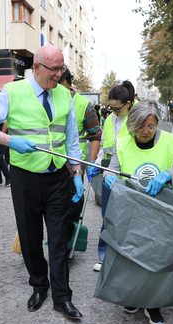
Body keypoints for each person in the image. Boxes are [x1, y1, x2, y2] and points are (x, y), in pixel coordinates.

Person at [0, 45, 85, 320]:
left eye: (62, 69)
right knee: (30, 237)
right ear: (36, 67)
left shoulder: (65, 95)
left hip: (58, 176)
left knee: (58, 238)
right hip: (25, 177)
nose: (59, 75)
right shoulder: (12, 92)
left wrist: (77, 173)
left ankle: (62, 296)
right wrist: (10, 141)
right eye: (54, 69)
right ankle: (39, 285)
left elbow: (71, 139)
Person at [103, 99, 173, 324]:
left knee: (156, 257)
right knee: (131, 256)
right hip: (131, 211)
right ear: (132, 125)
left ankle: (153, 303)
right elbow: (112, 168)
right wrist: (109, 177)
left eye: (151, 126)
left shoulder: (170, 141)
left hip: (161, 212)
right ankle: (133, 296)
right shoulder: (123, 143)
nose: (146, 131)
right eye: (141, 127)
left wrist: (167, 175)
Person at [93, 80, 135, 272]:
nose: (113, 112)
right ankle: (105, 254)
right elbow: (104, 146)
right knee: (108, 215)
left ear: (128, 104)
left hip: (128, 173)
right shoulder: (109, 119)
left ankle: (124, 254)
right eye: (111, 108)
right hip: (108, 171)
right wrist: (96, 162)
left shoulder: (136, 120)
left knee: (126, 216)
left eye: (117, 108)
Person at [58, 67, 101, 220]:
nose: (59, 92)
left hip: (73, 167)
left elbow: (96, 135)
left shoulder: (84, 105)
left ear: (70, 84)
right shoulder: (46, 101)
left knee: (73, 210)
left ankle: (71, 240)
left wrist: (91, 162)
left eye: (63, 88)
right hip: (50, 167)